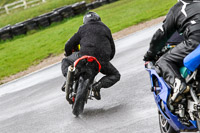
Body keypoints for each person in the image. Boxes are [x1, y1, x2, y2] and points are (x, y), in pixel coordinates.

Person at [143, 0, 200, 103]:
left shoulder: (178, 8)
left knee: (163, 61)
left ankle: (178, 84)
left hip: (195, 40)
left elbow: (160, 35)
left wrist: (150, 54)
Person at [61, 12, 121, 100]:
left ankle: (68, 79)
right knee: (116, 75)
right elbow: (112, 49)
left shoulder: (83, 28)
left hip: (84, 56)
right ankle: (98, 85)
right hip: (102, 60)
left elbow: (69, 44)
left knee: (65, 61)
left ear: (85, 21)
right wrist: (106, 60)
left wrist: (68, 53)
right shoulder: (106, 29)